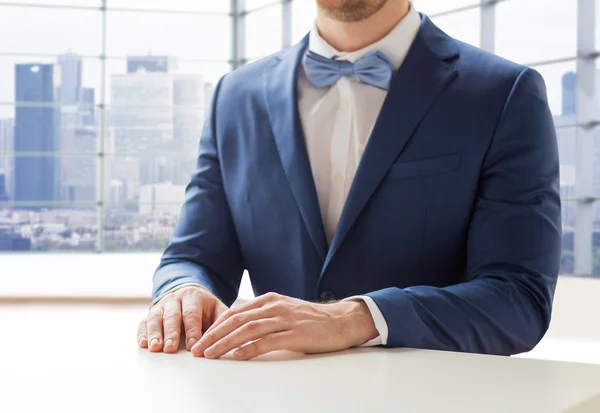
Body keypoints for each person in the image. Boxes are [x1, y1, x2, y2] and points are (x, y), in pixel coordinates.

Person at [137, 0, 561, 360]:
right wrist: (183, 290)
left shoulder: (503, 94)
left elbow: (519, 298)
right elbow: (193, 256)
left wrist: (356, 318)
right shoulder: (235, 96)